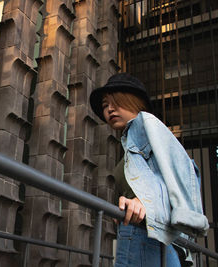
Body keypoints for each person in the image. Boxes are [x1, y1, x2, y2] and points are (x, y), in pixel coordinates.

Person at [89, 73, 209, 267]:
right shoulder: (130, 140)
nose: (110, 109)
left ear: (134, 102)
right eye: (105, 105)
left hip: (145, 236)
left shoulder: (145, 123)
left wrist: (146, 201)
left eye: (116, 102)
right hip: (152, 237)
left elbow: (186, 171)